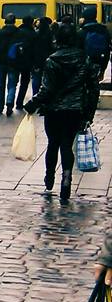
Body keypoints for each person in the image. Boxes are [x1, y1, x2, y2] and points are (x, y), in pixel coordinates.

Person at [24, 22, 99, 201]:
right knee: (67, 145)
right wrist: (89, 113)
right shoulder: (84, 59)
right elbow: (93, 88)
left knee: (53, 144)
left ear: (57, 39)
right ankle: (66, 178)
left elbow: (47, 90)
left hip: (54, 111)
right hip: (74, 110)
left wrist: (32, 103)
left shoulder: (52, 60)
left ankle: (49, 176)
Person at [0, 14, 23, 116]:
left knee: (0, 84)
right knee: (12, 84)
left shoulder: (0, 33)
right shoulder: (18, 33)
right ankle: (10, 102)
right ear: (14, 21)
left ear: (5, 21)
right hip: (14, 63)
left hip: (2, 62)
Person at [79, 9, 111, 82]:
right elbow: (107, 51)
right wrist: (103, 70)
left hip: (84, 64)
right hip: (99, 62)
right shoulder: (104, 31)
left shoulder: (82, 32)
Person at [14, 15, 36, 109]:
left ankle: (10, 99)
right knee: (24, 82)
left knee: (13, 82)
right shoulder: (33, 34)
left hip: (16, 61)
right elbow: (35, 49)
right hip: (27, 62)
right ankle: (19, 102)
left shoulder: (17, 32)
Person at [29, 16, 54, 96]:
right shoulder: (50, 34)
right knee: (46, 79)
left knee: (36, 78)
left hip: (37, 59)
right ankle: (45, 95)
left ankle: (35, 95)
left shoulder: (36, 34)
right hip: (47, 59)